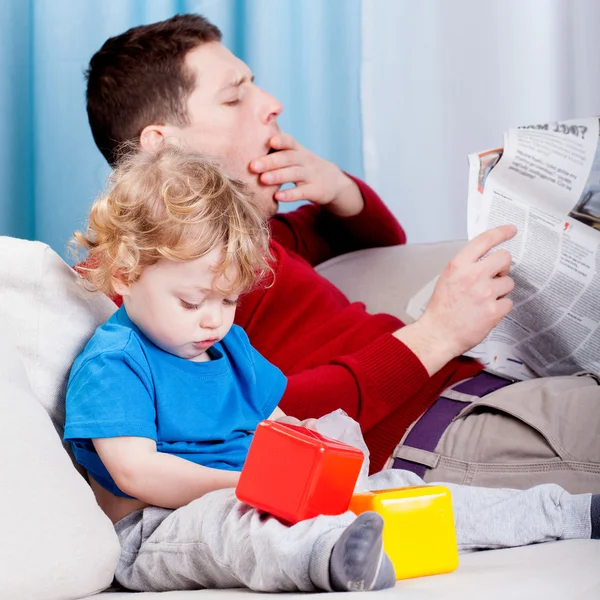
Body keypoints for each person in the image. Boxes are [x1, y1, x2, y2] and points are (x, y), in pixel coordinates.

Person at [82, 14, 600, 490]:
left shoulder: (252, 241)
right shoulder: (152, 280)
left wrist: (336, 188)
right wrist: (435, 336)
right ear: (162, 145)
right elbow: (253, 417)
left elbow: (373, 243)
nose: (271, 105)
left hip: (483, 390)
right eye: (235, 98)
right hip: (435, 431)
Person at [65, 146, 599, 593]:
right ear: (129, 273)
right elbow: (136, 473)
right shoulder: (116, 361)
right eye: (193, 301)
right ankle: (335, 555)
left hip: (261, 491)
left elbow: (277, 423)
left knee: (395, 487)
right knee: (238, 529)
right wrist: (247, 484)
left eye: (228, 301)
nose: (214, 319)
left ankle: (563, 513)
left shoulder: (227, 345)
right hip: (164, 523)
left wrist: (317, 472)